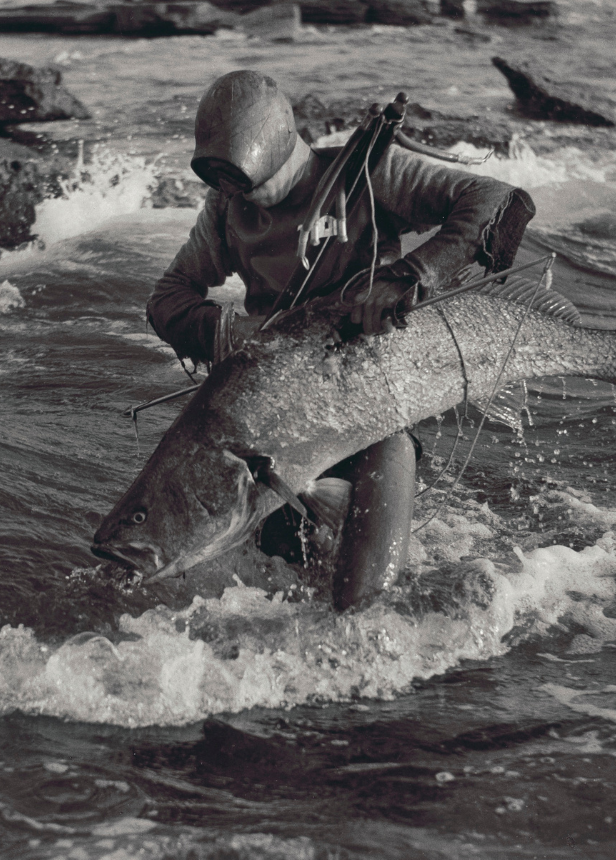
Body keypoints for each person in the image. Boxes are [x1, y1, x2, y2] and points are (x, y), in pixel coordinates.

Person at [147, 70, 535, 610]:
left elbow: (500, 201)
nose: (239, 198)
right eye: (224, 185)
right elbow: (168, 296)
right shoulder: (224, 211)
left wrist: (410, 275)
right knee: (281, 588)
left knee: (360, 603)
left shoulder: (366, 175)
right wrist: (228, 332)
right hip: (271, 416)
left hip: (372, 406)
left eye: (246, 183)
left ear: (282, 151)